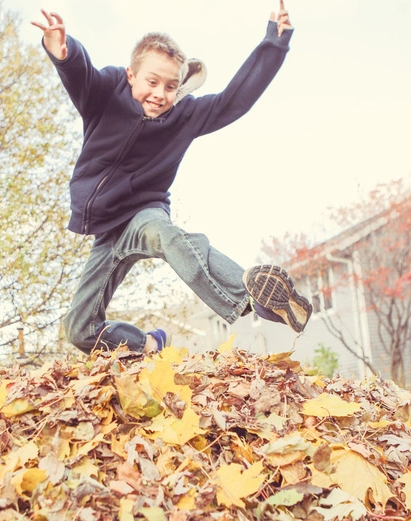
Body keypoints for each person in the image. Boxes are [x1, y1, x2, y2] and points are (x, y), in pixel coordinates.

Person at [32, 1, 312, 355]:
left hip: (143, 214)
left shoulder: (186, 115)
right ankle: (148, 343)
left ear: (179, 88)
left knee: (165, 235)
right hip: (106, 228)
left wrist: (274, 43)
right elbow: (81, 73)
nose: (159, 95)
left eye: (169, 87)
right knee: (79, 329)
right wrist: (63, 50)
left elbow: (234, 100)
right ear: (131, 75)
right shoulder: (105, 92)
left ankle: (255, 297)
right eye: (152, 82)